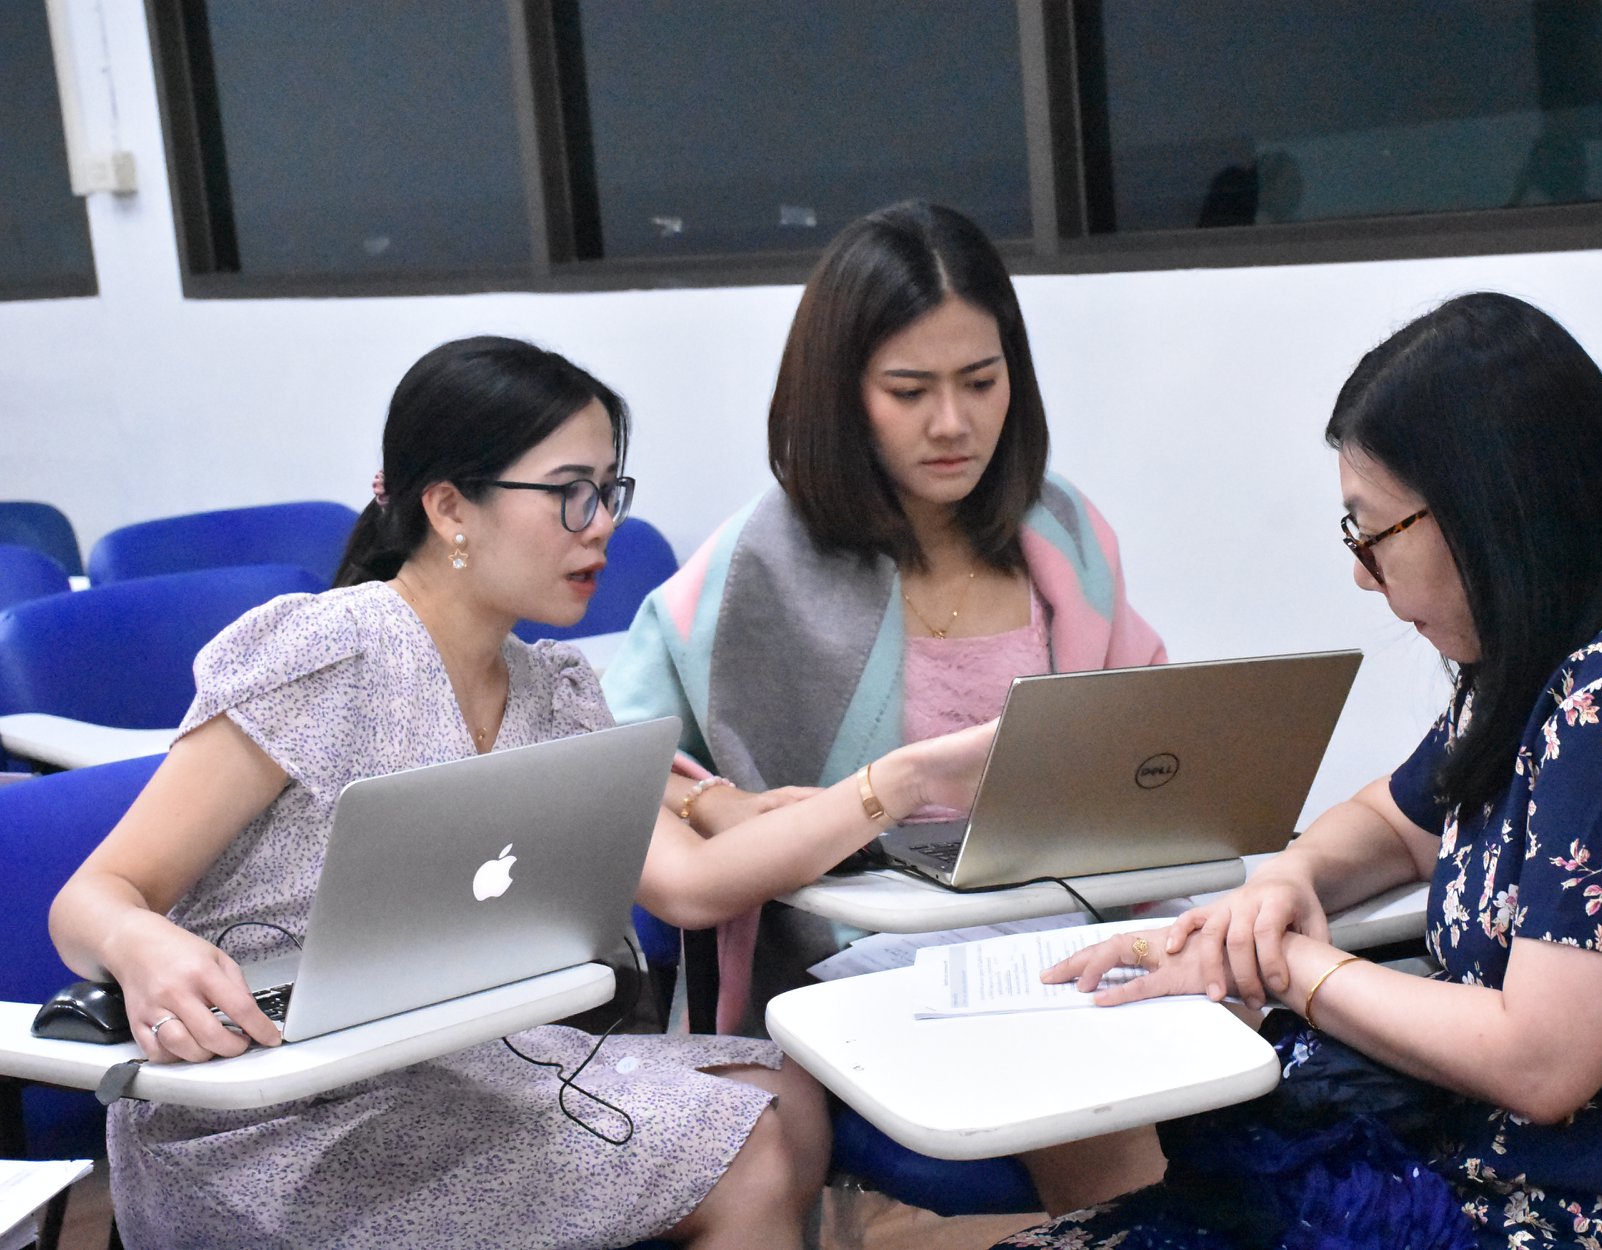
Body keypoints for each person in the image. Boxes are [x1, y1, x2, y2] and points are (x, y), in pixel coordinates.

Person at [48, 336, 991, 1249]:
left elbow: (694, 885)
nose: (601, 525)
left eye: (609, 491)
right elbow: (93, 898)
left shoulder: (550, 691)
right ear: (450, 508)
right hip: (266, 1122)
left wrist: (898, 782)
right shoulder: (328, 655)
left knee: (787, 1092)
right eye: (570, 494)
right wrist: (141, 945)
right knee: (747, 1151)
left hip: (443, 1074)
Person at [999, 292, 1602, 1249]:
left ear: (1487, 509)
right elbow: (1400, 819)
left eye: (1372, 533)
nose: (1362, 572)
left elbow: (1542, 1061)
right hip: (1482, 1182)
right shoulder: (1547, 655)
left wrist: (1288, 966)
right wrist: (1286, 884)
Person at [601, 200, 1167, 1212]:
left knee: (1241, 1031)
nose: (952, 423)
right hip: (865, 951)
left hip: (1055, 915)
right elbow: (603, 750)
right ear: (840, 396)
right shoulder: (763, 560)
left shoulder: (1062, 528)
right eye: (909, 391)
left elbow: (1150, 729)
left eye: (981, 382)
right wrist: (712, 801)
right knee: (1102, 1098)